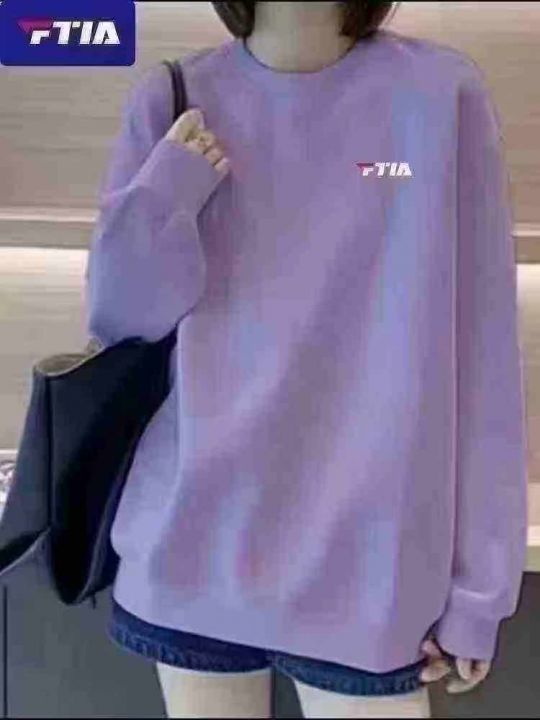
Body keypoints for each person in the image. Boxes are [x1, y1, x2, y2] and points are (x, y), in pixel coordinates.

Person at [84, 1, 528, 717]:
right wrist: (169, 190)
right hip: (190, 553)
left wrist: (480, 589)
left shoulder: (441, 95)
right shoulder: (175, 98)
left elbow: (483, 356)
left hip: (372, 580)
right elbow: (120, 320)